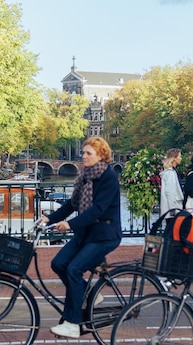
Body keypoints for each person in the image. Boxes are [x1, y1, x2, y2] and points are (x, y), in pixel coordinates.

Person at [40, 136, 122, 339]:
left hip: (105, 235)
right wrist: (48, 218)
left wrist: (70, 224)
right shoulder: (85, 176)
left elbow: (98, 209)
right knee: (58, 263)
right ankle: (90, 294)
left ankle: (73, 323)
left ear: (101, 155)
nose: (83, 156)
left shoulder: (108, 177)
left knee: (74, 269)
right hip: (87, 233)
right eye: (83, 152)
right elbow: (71, 204)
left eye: (88, 153)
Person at [159, 148, 183, 225]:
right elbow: (170, 192)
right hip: (173, 208)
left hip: (172, 208)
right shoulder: (170, 173)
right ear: (174, 158)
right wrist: (173, 211)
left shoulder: (171, 172)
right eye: (179, 156)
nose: (181, 158)